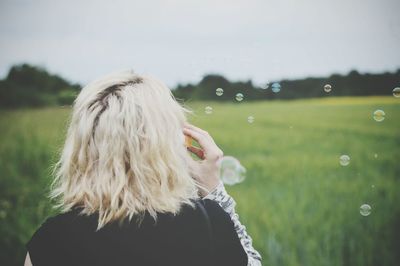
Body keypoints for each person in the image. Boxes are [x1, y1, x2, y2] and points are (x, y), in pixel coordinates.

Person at [24, 70, 262, 266]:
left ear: (83, 145)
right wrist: (214, 191)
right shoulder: (206, 224)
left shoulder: (51, 240)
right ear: (163, 145)